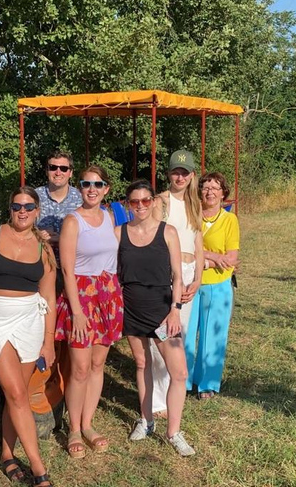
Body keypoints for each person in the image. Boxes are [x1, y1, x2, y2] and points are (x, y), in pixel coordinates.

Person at [0, 186, 56, 487]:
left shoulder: (44, 248)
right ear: (10, 208)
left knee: (13, 394)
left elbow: (49, 299)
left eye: (29, 207)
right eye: (17, 206)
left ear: (37, 211)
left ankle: (6, 453)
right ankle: (39, 469)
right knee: (17, 394)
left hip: (29, 319)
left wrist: (48, 342)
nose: (23, 211)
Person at [117, 180, 195, 457]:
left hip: (162, 310)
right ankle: (146, 419)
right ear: (128, 204)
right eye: (134, 202)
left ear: (153, 201)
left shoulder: (168, 232)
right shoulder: (119, 233)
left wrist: (174, 309)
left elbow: (177, 275)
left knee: (179, 372)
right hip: (132, 307)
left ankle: (173, 432)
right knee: (142, 363)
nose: (140, 206)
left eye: (146, 201)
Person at [55, 166, 123, 457]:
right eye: (86, 184)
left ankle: (88, 423)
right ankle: (72, 428)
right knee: (80, 368)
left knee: (97, 365)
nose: (92, 189)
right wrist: (78, 312)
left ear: (107, 188)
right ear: (80, 188)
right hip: (82, 298)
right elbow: (68, 271)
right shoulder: (73, 221)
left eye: (98, 184)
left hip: (108, 296)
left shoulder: (111, 217)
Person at [149, 150, 204, 416]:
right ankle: (157, 400)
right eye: (175, 171)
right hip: (168, 273)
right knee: (161, 334)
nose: (180, 177)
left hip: (190, 271)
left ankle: (174, 389)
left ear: (192, 175)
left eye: (185, 172)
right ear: (168, 173)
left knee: (178, 333)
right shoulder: (161, 202)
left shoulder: (195, 204)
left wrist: (198, 279)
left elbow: (198, 243)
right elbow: (154, 240)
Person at [187, 172, 240, 399]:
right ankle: (184, 380)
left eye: (215, 188)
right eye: (206, 187)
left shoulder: (230, 220)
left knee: (213, 335)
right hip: (191, 281)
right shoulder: (191, 215)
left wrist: (202, 258)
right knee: (186, 334)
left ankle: (207, 384)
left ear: (223, 193)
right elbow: (184, 249)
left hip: (218, 284)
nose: (210, 192)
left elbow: (230, 259)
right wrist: (210, 258)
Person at [35, 150, 83, 294]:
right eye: (53, 167)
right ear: (46, 170)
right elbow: (20, 228)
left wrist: (62, 239)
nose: (58, 172)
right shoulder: (34, 197)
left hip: (75, 267)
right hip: (42, 265)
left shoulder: (81, 198)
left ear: (71, 172)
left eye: (63, 168)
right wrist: (38, 235)